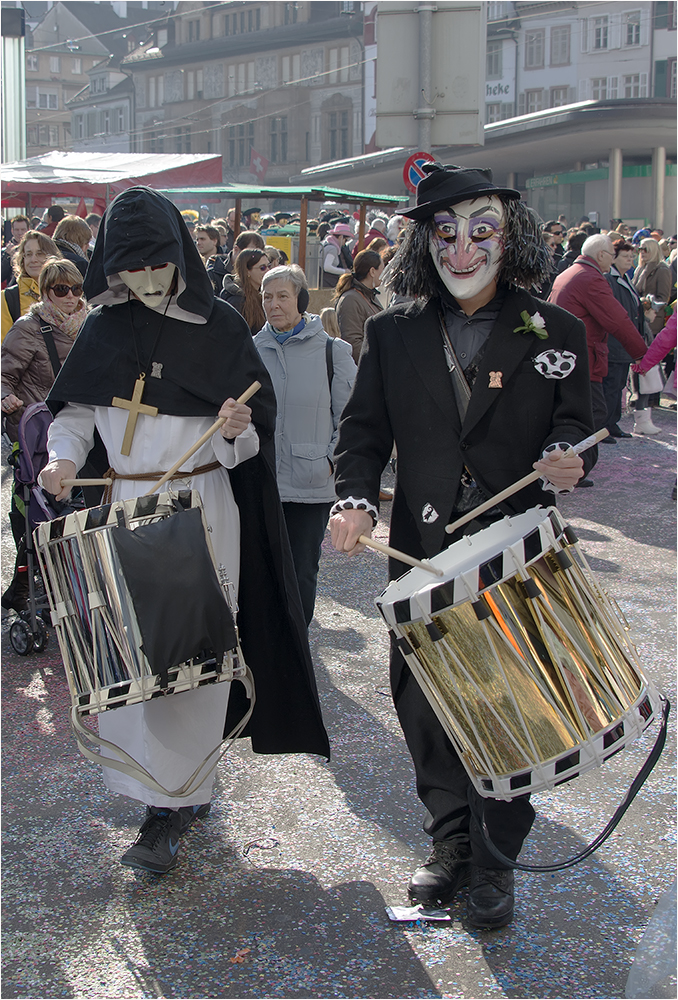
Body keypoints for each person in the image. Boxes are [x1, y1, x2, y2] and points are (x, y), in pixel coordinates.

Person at [329, 162, 596, 929]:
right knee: (426, 702)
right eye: (446, 233)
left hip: (519, 553)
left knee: (514, 701)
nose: (463, 248)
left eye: (481, 231)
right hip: (423, 550)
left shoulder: (556, 328)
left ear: (508, 238)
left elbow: (574, 423)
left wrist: (573, 454)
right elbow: (363, 433)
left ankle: (497, 863)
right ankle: (449, 844)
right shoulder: (391, 330)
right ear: (425, 243)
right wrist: (352, 498)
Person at [38, 187, 329, 874]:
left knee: (190, 656)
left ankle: (173, 806)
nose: (141, 284)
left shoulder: (221, 327)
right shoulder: (105, 329)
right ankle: (152, 791)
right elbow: (77, 415)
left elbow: (251, 442)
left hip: (199, 510)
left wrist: (234, 432)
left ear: (178, 261)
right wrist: (61, 458)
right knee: (133, 658)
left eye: (155, 268)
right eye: (129, 270)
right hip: (124, 508)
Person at [254, 265, 356, 625]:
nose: (273, 304)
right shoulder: (252, 351)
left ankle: (295, 645)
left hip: (310, 485)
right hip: (261, 481)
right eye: (267, 296)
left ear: (300, 299)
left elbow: (351, 418)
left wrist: (328, 460)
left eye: (282, 295)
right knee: (261, 571)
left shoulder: (333, 351)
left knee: (301, 572)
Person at [1, 257, 87, 614]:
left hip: (83, 430)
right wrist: (6, 398)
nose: (70, 297)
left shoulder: (90, 323)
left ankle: (64, 587)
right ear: (46, 291)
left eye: (76, 289)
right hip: (38, 434)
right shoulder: (28, 328)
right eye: (61, 289)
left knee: (74, 511)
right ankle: (26, 586)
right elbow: (3, 373)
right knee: (40, 511)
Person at [549, 233, 647, 484]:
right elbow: (617, 319)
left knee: (574, 411)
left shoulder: (571, 272)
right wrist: (642, 354)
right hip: (583, 358)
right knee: (592, 412)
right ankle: (572, 466)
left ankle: (567, 463)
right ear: (601, 255)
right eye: (612, 255)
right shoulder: (590, 278)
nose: (613, 261)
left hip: (564, 356)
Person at [602, 241, 643, 441]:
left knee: (618, 385)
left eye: (631, 257)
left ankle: (612, 423)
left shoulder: (625, 278)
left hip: (622, 343)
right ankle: (604, 426)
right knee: (610, 386)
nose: (630, 260)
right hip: (614, 342)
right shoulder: (610, 278)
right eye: (626, 256)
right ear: (614, 257)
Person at [1, 231, 60, 341]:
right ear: (22, 260)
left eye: (39, 253)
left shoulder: (66, 292)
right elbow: (4, 348)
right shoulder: (8, 298)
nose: (33, 259)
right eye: (28, 254)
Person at [334, 249, 384, 364]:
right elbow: (352, 344)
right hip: (363, 372)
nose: (384, 273)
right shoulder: (350, 299)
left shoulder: (369, 295)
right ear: (372, 271)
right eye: (382, 269)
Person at [220, 247, 268, 335]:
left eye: (268, 266)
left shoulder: (263, 294)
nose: (268, 271)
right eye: (262, 268)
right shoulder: (237, 300)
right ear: (247, 271)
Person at [632, 238, 672, 337]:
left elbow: (663, 298)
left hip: (653, 319)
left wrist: (647, 304)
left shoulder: (662, 269)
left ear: (653, 251)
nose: (642, 252)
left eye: (645, 249)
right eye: (640, 249)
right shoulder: (640, 268)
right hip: (638, 317)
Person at [1, 215, 30, 285]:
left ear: (28, 230)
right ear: (12, 231)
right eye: (17, 230)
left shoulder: (35, 248)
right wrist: (7, 256)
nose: (20, 233)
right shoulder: (5, 251)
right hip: (13, 290)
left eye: (23, 229)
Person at [321, 223, 352, 288]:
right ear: (341, 237)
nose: (344, 243)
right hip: (327, 282)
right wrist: (344, 271)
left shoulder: (326, 243)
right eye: (345, 240)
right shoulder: (333, 248)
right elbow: (327, 267)